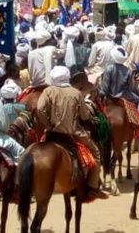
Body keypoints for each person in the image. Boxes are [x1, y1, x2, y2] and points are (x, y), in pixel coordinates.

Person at [35, 66, 108, 200]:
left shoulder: (48, 91)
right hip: (73, 133)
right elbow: (85, 116)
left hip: (52, 133)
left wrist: (48, 124)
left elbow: (40, 108)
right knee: (96, 153)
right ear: (67, 77)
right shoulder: (75, 93)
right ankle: (93, 187)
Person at [99, 46, 139, 112]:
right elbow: (130, 88)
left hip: (110, 96)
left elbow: (105, 87)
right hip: (123, 96)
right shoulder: (128, 70)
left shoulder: (108, 68)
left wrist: (101, 94)